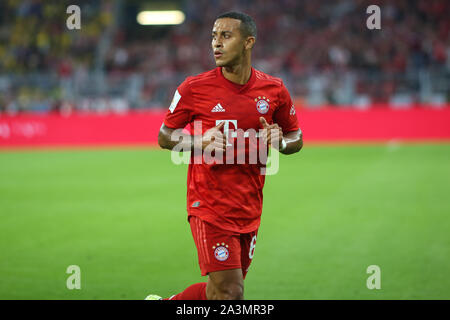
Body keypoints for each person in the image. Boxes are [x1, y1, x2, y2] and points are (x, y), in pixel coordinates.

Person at [147, 11, 303, 300]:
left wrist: (280, 141)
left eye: (226, 36)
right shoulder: (194, 88)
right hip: (209, 206)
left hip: (249, 208)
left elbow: (296, 137)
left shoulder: (274, 90)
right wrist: (198, 142)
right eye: (213, 37)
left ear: (248, 42)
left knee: (218, 291)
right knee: (231, 292)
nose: (216, 44)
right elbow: (165, 136)